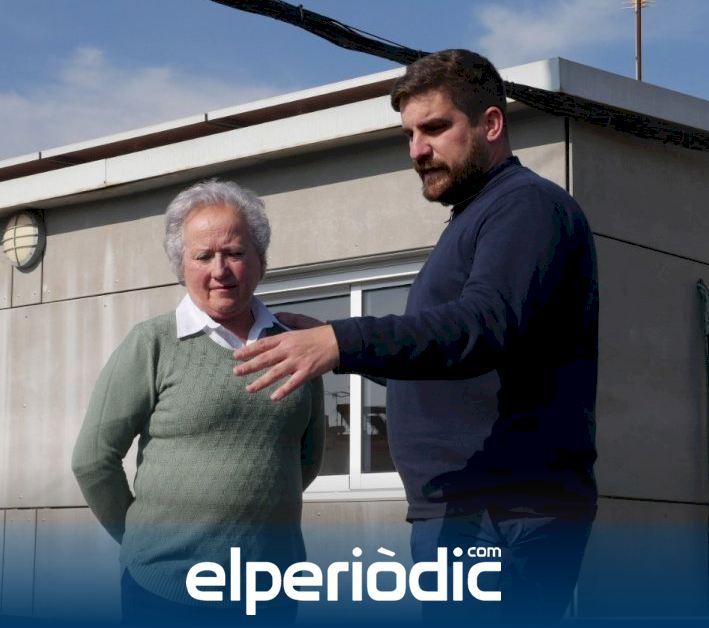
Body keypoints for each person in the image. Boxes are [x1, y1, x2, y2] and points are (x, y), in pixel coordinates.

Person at [233, 49, 598, 623]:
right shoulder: (477, 217)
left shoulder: (526, 207)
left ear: (491, 124)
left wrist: (342, 340)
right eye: (408, 134)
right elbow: (449, 362)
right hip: (467, 510)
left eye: (434, 128)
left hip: (504, 512)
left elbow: (482, 326)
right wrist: (335, 346)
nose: (416, 150)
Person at [71, 179, 324, 625]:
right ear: (181, 266)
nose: (220, 270)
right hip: (164, 591)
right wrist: (141, 539)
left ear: (261, 260)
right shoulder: (153, 343)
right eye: (203, 256)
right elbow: (93, 459)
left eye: (234, 252)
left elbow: (306, 458)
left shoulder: (297, 346)